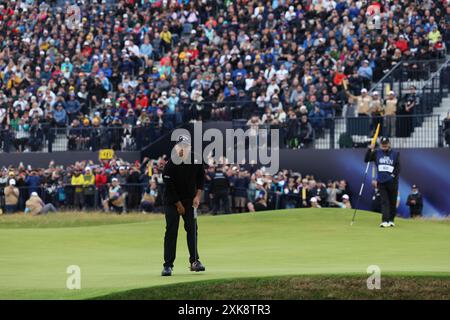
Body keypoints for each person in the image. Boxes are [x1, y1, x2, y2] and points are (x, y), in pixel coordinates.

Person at [161, 135, 205, 276]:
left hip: (189, 199)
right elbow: (169, 186)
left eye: (186, 146)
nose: (183, 149)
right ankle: (168, 265)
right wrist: (178, 205)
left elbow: (201, 179)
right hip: (172, 201)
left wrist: (197, 196)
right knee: (171, 230)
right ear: (176, 147)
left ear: (190, 147)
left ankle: (195, 261)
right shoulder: (171, 163)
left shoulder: (196, 159)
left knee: (192, 229)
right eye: (181, 146)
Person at [365, 137, 401, 227]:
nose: (384, 146)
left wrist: (392, 176)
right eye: (383, 145)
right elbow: (367, 159)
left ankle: (391, 220)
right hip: (381, 182)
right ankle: (385, 220)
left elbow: (398, 167)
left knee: (392, 201)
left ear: (389, 144)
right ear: (380, 145)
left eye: (386, 145)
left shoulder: (395, 153)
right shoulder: (377, 153)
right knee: (384, 201)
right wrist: (370, 148)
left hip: (393, 182)